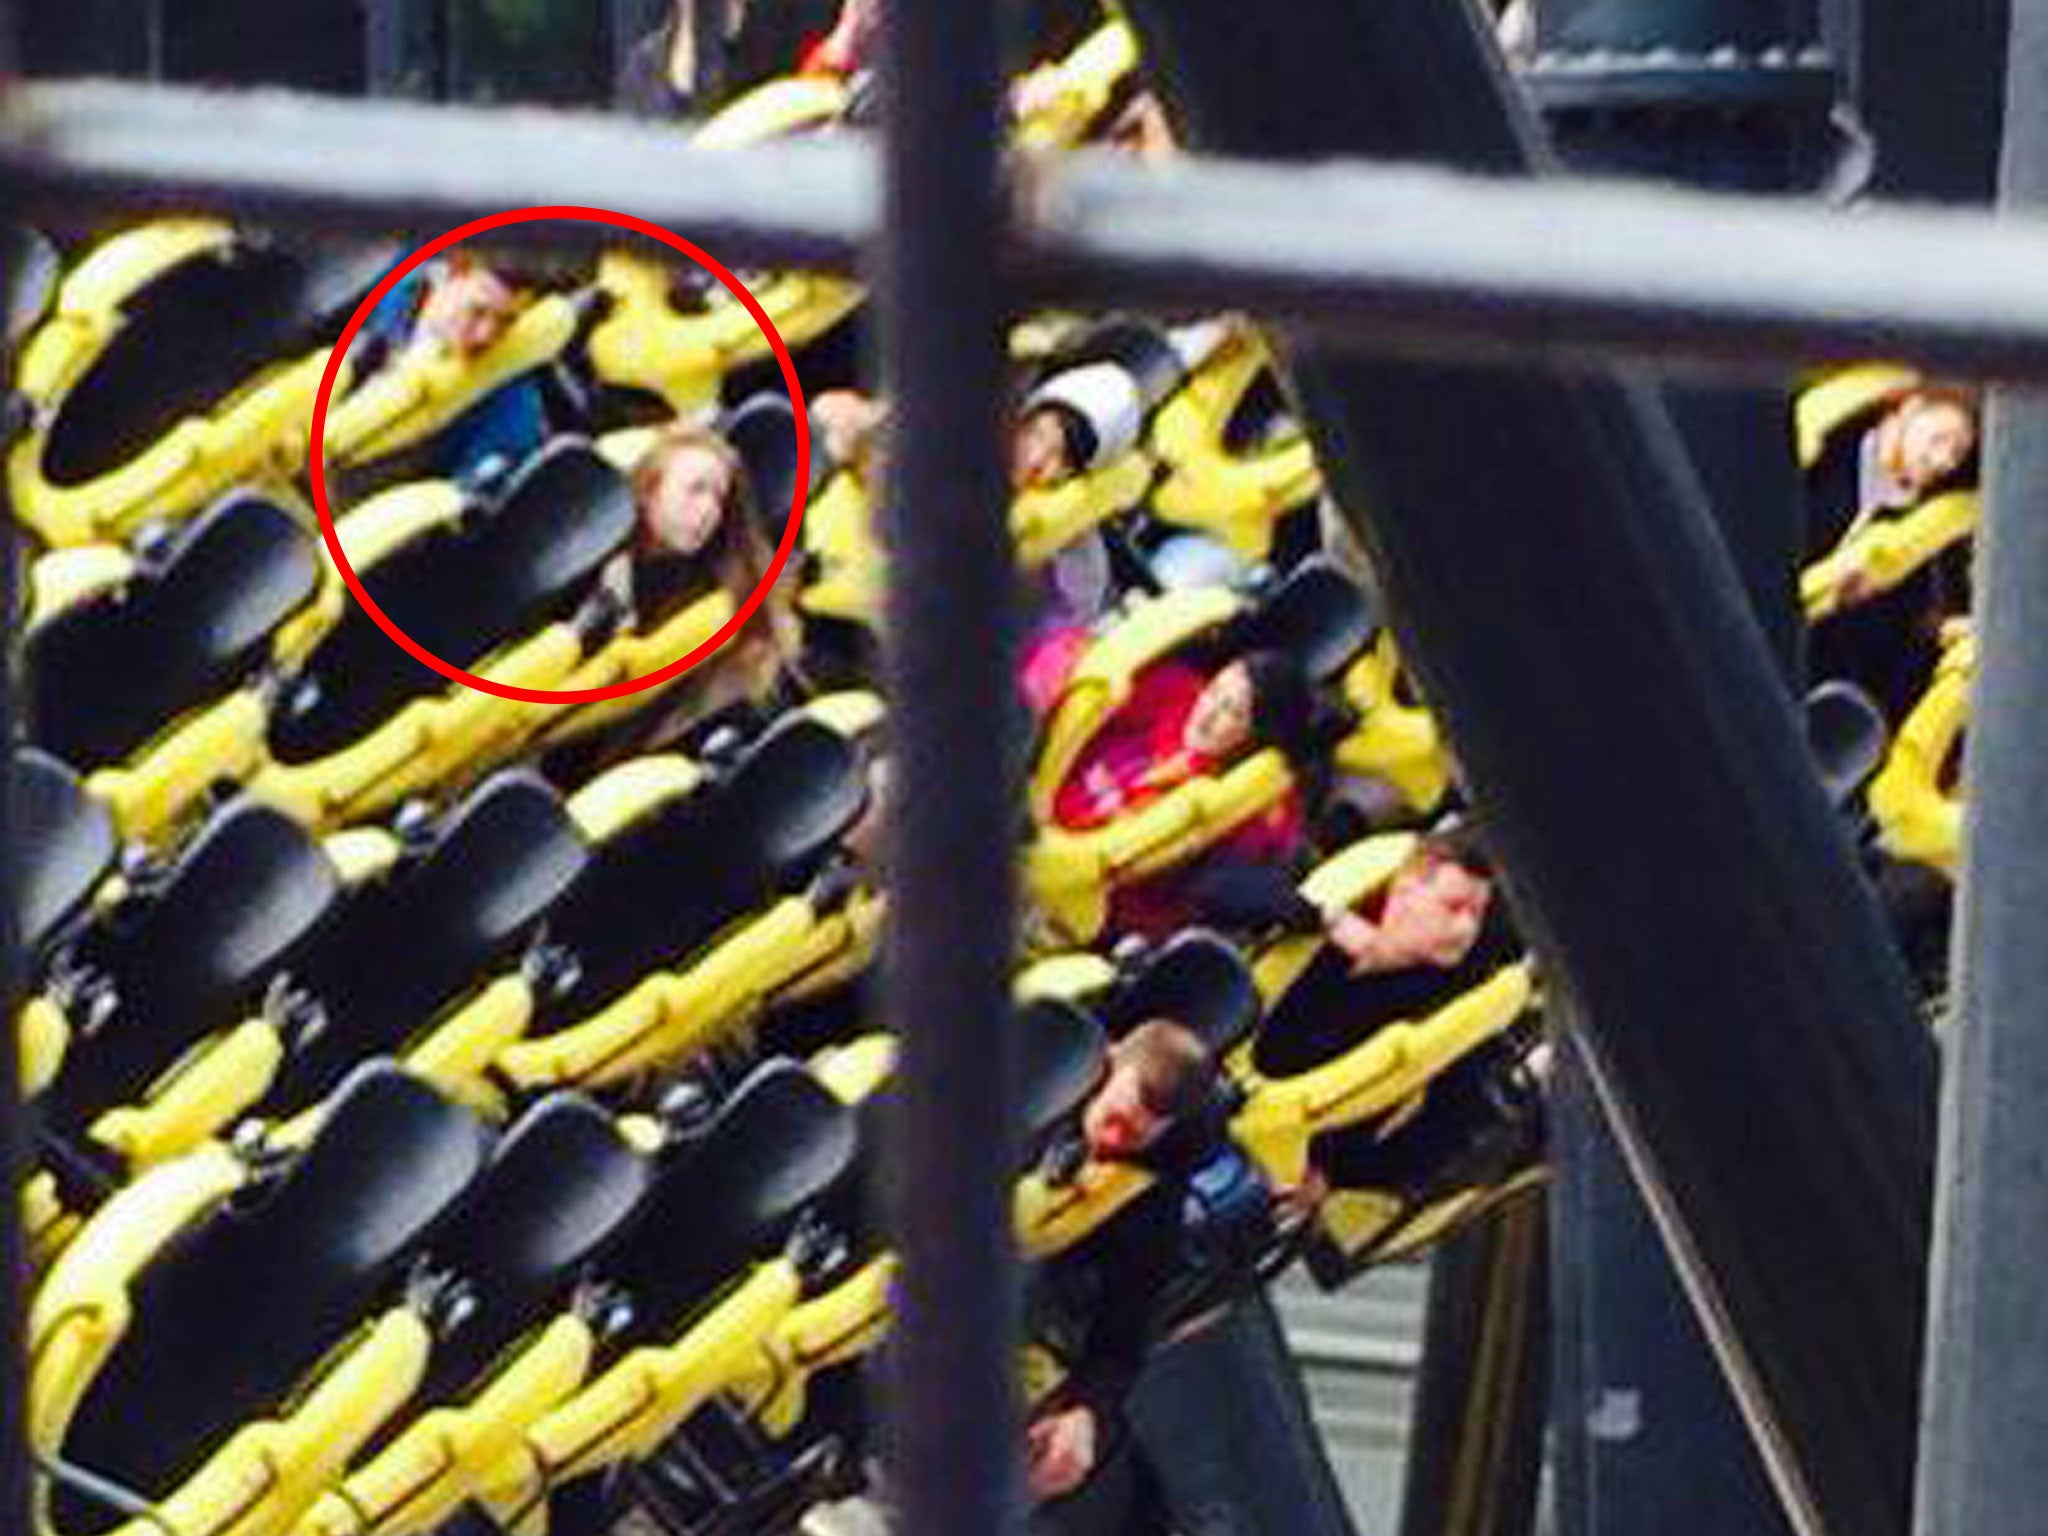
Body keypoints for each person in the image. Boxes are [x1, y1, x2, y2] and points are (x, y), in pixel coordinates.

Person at [1026, 1018, 1218, 1512]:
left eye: (1133, 1135)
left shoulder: (1151, 1207)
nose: (1112, 1139)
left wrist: (1086, 1414)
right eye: (1113, 1115)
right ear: (1105, 1066)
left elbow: (1122, 1338)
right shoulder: (1032, 1074)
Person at [581, 422, 802, 756]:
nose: (709, 511)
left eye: (719, 499)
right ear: (648, 489)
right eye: (696, 489)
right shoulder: (588, 571)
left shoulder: (715, 608)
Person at [349, 252, 551, 485]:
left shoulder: (514, 413)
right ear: (455, 271)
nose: (485, 335)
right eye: (478, 311)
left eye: (506, 322)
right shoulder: (394, 278)